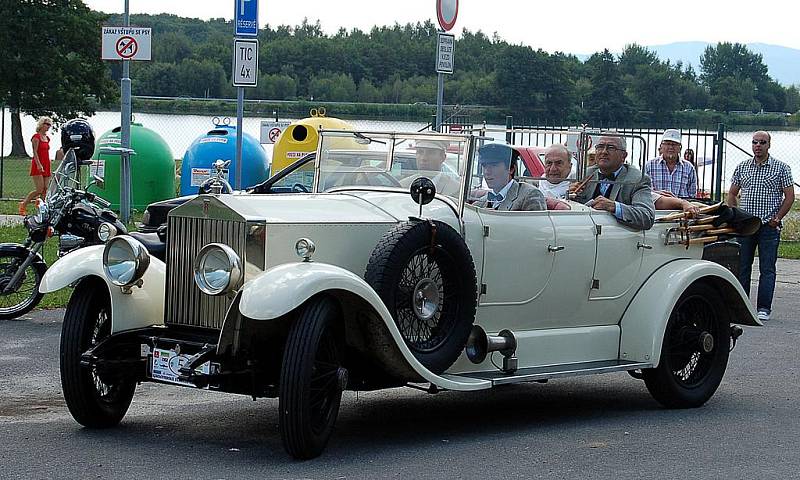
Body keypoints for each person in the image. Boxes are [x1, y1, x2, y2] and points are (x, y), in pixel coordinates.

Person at [727, 131, 794, 321]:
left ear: (769, 145)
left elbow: (790, 197)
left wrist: (778, 218)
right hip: (746, 226)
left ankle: (764, 308)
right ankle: (741, 306)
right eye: (755, 142)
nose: (758, 145)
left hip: (768, 227)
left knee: (767, 269)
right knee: (742, 267)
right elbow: (732, 194)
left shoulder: (781, 168)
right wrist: (735, 216)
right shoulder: (742, 167)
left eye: (762, 142)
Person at [572, 135, 655, 230]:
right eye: (600, 147)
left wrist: (615, 207)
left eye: (611, 148)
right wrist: (570, 196)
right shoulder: (583, 174)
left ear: (623, 156)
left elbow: (647, 217)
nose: (604, 152)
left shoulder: (638, 179)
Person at [473, 143, 546, 211]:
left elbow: (537, 224)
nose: (486, 172)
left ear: (511, 169)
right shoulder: (480, 204)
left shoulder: (530, 196)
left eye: (494, 165)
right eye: (484, 166)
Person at [644, 129, 697, 198]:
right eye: (667, 144)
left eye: (674, 144)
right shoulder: (649, 166)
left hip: (682, 208)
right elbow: (644, 191)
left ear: (680, 148)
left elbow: (692, 195)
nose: (671, 147)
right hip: (656, 208)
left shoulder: (689, 168)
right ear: (661, 146)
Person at [20, 116, 53, 215]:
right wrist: (39, 164)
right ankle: (23, 204)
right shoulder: (36, 137)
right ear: (41, 124)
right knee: (39, 189)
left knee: (45, 189)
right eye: (46, 124)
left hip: (46, 164)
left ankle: (41, 209)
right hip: (38, 164)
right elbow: (35, 152)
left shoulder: (47, 138)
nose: (48, 126)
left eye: (49, 125)